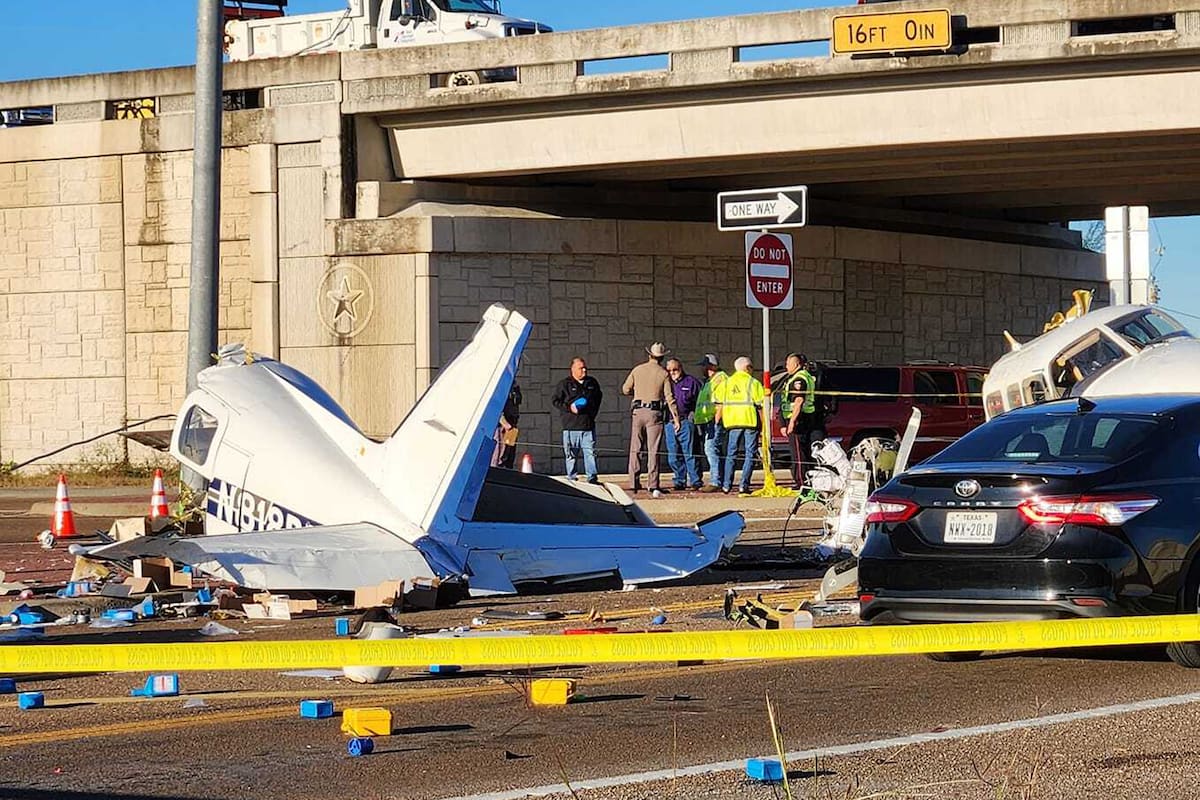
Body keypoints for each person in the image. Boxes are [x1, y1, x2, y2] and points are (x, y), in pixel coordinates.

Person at [621, 342, 681, 497]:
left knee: (636, 448)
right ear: (662, 357)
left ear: (649, 354)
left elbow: (625, 389)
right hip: (654, 412)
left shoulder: (637, 370)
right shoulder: (663, 373)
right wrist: (676, 418)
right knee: (653, 449)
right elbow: (670, 398)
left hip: (638, 411)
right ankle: (653, 484)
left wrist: (638, 394)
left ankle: (633, 482)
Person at [714, 356, 764, 495]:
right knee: (750, 454)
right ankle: (744, 485)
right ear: (747, 368)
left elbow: (719, 404)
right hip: (750, 421)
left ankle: (726, 485)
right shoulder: (753, 383)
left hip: (732, 423)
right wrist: (764, 426)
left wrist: (717, 423)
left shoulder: (726, 383)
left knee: (731, 454)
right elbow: (761, 404)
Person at [551, 357, 603, 483]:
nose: (584, 370)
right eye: (581, 368)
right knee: (571, 455)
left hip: (587, 427)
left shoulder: (592, 383)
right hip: (570, 427)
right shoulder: (565, 384)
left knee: (590, 453)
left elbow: (598, 398)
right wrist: (569, 408)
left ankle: (592, 478)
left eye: (585, 368)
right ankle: (572, 477)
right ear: (573, 369)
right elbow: (555, 401)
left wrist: (592, 414)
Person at [664, 358, 703, 491]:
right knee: (673, 455)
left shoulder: (692, 382)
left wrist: (694, 417)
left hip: (686, 421)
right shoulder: (666, 383)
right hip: (669, 422)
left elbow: (700, 401)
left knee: (690, 453)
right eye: (669, 370)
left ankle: (695, 480)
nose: (672, 372)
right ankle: (679, 480)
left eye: (675, 369)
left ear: (681, 368)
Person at [780, 354, 818, 489]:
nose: (786, 367)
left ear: (796, 365)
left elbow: (799, 400)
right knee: (802, 451)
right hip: (802, 418)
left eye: (788, 364)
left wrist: (791, 422)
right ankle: (805, 480)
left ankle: (802, 482)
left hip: (799, 419)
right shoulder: (801, 377)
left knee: (798, 452)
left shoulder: (799, 379)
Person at [692, 354, 728, 493]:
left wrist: (717, 422)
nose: (702, 368)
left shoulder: (719, 379)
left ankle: (715, 481)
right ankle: (720, 479)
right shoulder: (710, 380)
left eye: (704, 365)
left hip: (715, 420)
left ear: (711, 366)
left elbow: (720, 403)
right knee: (715, 450)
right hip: (709, 420)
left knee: (710, 449)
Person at [491, 381, 522, 469]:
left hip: (512, 425)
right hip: (503, 426)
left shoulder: (514, 386)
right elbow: (495, 406)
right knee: (500, 455)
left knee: (509, 455)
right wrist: (504, 423)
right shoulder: (499, 385)